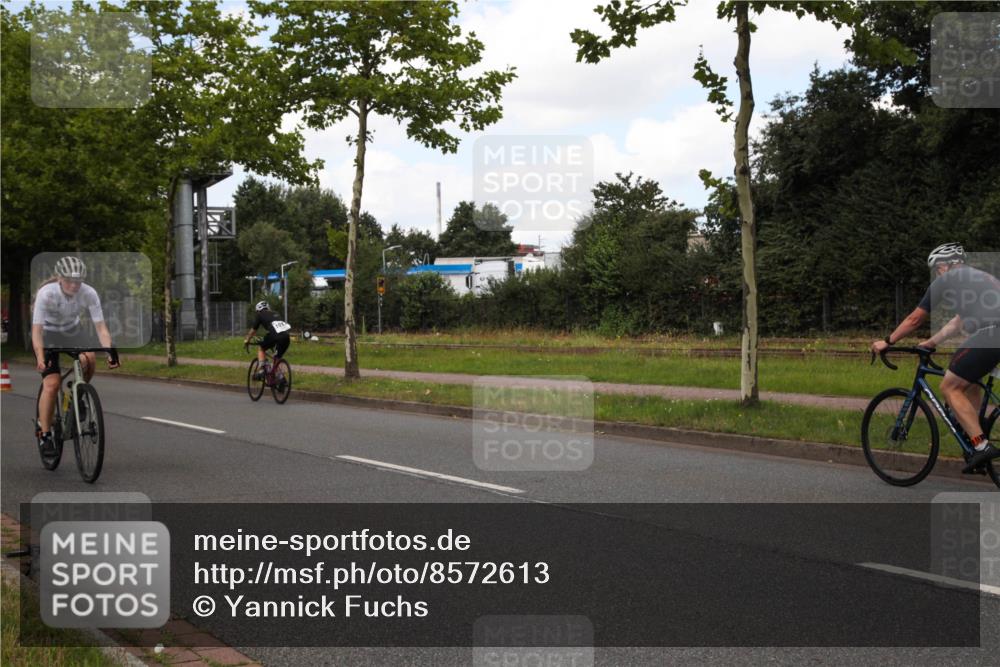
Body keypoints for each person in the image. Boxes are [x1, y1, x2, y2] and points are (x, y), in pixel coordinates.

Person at [871, 243, 1000, 472]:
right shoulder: (978, 278)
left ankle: (981, 447)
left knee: (950, 387)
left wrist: (888, 341)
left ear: (945, 266)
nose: (938, 273)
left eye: (937, 268)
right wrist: (931, 343)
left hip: (990, 334)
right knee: (968, 383)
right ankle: (976, 444)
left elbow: (915, 319)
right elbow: (958, 322)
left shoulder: (947, 280)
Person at [32, 256, 119, 456]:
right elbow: (36, 331)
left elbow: (101, 328)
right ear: (60, 279)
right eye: (70, 280)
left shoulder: (89, 293)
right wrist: (40, 357)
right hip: (48, 333)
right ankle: (45, 434)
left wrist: (110, 351)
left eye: (78, 281)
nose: (74, 285)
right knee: (52, 384)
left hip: (72, 330)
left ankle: (76, 393)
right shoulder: (46, 294)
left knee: (89, 359)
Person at [243, 301, 291, 378]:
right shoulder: (276, 313)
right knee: (277, 358)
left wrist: (247, 339)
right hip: (286, 337)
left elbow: (253, 330)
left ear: (258, 310)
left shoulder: (260, 314)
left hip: (274, 335)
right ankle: (280, 377)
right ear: (268, 307)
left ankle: (262, 369)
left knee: (261, 348)